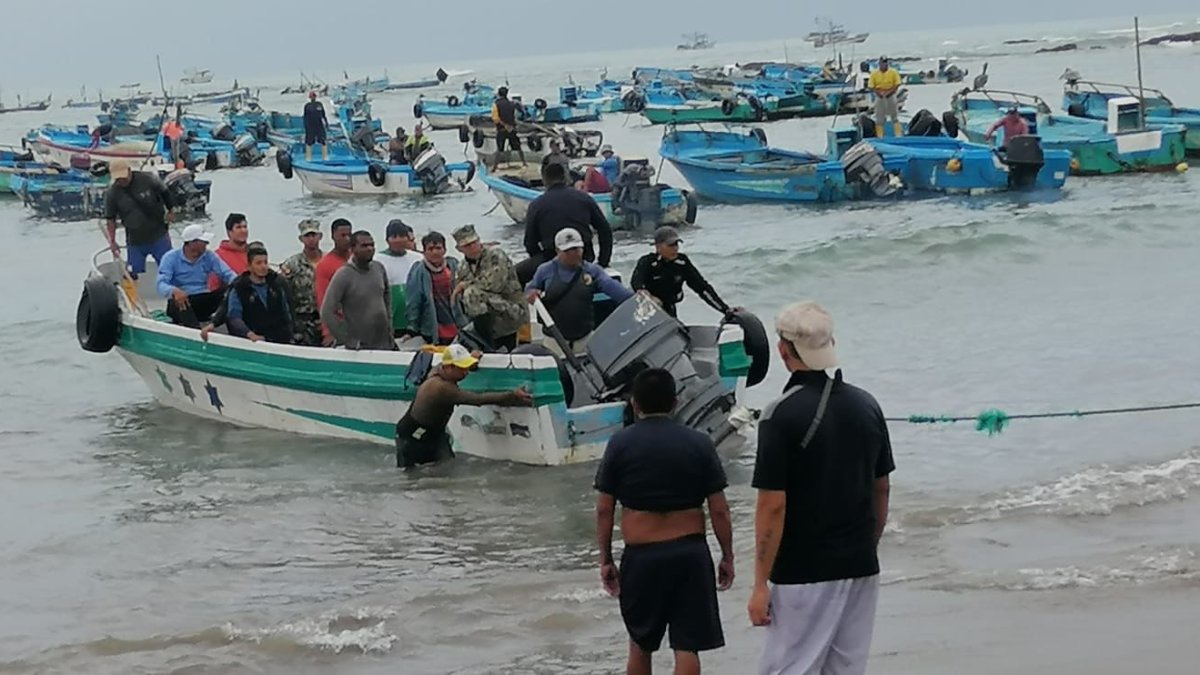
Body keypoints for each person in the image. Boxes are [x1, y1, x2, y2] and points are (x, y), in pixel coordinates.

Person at [747, 302, 894, 675]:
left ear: (783, 350)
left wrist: (760, 583)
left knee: (788, 668)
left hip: (804, 571)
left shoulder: (779, 414)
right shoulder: (867, 405)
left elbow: (772, 506)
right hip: (861, 564)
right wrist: (868, 543)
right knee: (845, 669)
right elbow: (881, 488)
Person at [595, 368, 734, 675]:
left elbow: (605, 509)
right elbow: (719, 509)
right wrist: (728, 556)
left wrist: (605, 559)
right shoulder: (699, 443)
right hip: (690, 556)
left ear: (634, 404)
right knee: (687, 646)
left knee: (640, 644)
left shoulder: (620, 444)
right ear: (675, 402)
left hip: (642, 558)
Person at [394, 344, 533, 468]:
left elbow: (458, 371)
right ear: (449, 367)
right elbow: (478, 399)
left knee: (446, 468)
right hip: (412, 437)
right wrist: (512, 395)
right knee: (414, 478)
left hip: (433, 435)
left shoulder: (438, 370)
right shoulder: (442, 388)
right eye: (462, 369)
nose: (466, 372)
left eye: (466, 368)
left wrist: (471, 363)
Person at [525, 228, 632, 356]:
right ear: (557, 251)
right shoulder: (545, 270)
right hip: (554, 340)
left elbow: (616, 290)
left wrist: (639, 299)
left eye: (576, 249)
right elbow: (529, 289)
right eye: (567, 251)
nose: (573, 254)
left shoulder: (592, 271)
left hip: (584, 337)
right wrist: (531, 294)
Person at [516, 161, 614, 285]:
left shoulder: (537, 205)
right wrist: (603, 262)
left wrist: (543, 266)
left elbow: (530, 242)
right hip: (583, 256)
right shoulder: (584, 198)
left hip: (551, 257)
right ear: (566, 178)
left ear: (544, 181)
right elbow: (605, 230)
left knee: (515, 275)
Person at [452, 224, 526, 352]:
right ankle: (481, 341)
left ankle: (485, 344)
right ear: (459, 249)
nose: (472, 247)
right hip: (485, 315)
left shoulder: (495, 255)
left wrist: (465, 285)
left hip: (510, 308)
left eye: (474, 242)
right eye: (467, 246)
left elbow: (494, 285)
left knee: (471, 293)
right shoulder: (462, 266)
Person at [630, 227, 730, 319]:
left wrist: (725, 310)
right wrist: (649, 298)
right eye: (670, 245)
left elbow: (702, 288)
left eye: (676, 244)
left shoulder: (682, 263)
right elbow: (636, 283)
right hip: (647, 311)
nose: (675, 248)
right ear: (658, 247)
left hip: (669, 309)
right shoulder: (647, 262)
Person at [202, 245, 293, 344]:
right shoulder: (240, 288)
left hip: (278, 339)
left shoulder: (276, 284)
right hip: (251, 340)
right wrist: (249, 334)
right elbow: (234, 317)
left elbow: (286, 313)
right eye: (258, 263)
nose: (263, 266)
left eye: (265, 262)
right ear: (249, 266)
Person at [319, 230, 394, 350]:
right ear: (352, 249)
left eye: (372, 245)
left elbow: (387, 300)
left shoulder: (379, 268)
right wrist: (346, 339)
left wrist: (390, 330)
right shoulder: (344, 274)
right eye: (364, 246)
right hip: (359, 347)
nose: (370, 249)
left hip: (384, 342)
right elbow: (326, 312)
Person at [156, 224, 236, 328]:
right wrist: (174, 290)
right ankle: (195, 330)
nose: (207, 243)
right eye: (204, 241)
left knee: (231, 291)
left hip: (202, 298)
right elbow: (160, 284)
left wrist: (239, 283)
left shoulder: (209, 256)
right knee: (179, 303)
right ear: (192, 243)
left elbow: (227, 273)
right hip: (182, 300)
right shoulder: (170, 258)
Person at [104, 160, 173, 278]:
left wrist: (171, 210)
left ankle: (174, 294)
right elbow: (110, 219)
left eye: (123, 177)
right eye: (118, 179)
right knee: (131, 273)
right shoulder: (112, 193)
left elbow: (165, 192)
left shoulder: (148, 179)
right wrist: (112, 241)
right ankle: (131, 295)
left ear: (129, 171)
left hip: (158, 234)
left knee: (169, 268)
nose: (121, 181)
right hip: (135, 240)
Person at [406, 231, 464, 345]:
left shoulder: (453, 265)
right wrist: (412, 327)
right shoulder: (419, 271)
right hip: (432, 324)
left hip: (455, 320)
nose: (435, 252)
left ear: (445, 250)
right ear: (424, 251)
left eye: (438, 248)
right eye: (430, 249)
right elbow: (414, 300)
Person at [278, 218, 325, 346]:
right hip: (302, 321)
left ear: (320, 236)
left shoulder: (328, 261)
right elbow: (282, 292)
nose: (311, 239)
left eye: (314, 235)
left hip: (325, 318)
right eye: (307, 235)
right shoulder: (292, 264)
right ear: (301, 239)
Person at [315, 218, 354, 344]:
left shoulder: (357, 258)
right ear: (333, 236)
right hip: (340, 324)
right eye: (342, 235)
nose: (347, 239)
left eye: (349, 235)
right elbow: (322, 300)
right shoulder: (325, 265)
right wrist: (327, 332)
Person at [378, 219, 419, 337]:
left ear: (408, 238)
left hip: (414, 321)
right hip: (391, 320)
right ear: (387, 240)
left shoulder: (417, 259)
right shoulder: (378, 260)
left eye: (402, 236)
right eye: (394, 236)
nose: (398, 240)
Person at [208, 212, 250, 290]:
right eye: (238, 227)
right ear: (229, 232)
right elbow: (213, 286)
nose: (243, 230)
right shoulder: (218, 256)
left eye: (245, 227)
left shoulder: (254, 251)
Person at [490, 86, 526, 167]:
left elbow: (495, 118)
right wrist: (510, 126)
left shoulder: (496, 104)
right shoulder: (511, 104)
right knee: (518, 147)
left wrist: (505, 125)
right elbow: (516, 115)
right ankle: (524, 163)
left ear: (499, 94)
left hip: (501, 130)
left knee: (499, 149)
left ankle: (495, 167)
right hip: (512, 129)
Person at [868, 56, 902, 137]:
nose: (884, 64)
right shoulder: (874, 73)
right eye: (882, 63)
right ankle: (880, 136)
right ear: (879, 64)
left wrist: (889, 92)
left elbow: (897, 84)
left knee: (894, 116)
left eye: (885, 62)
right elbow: (871, 86)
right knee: (879, 118)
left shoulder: (893, 72)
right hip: (879, 95)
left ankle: (898, 135)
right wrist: (878, 93)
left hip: (891, 94)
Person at [303, 91, 329, 161]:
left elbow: (324, 115)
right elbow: (305, 117)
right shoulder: (307, 106)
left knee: (323, 141)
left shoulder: (319, 104)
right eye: (312, 96)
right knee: (309, 142)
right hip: (310, 126)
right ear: (310, 98)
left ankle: (325, 157)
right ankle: (308, 158)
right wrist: (306, 127)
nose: (313, 97)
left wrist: (326, 124)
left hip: (319, 126)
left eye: (314, 96)